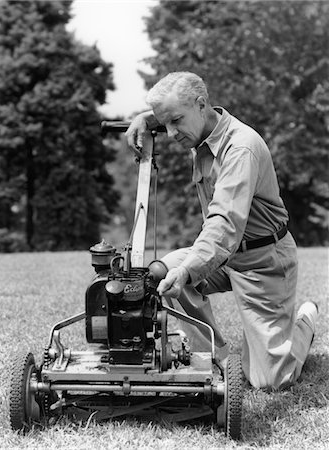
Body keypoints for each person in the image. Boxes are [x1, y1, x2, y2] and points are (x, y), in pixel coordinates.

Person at [125, 71, 318, 390]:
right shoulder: (198, 126)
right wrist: (145, 120)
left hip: (262, 261)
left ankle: (304, 322)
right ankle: (216, 359)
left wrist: (189, 269)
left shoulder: (240, 148)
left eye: (175, 121)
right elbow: (173, 112)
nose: (171, 133)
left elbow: (225, 224)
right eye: (166, 124)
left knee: (270, 381)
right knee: (162, 275)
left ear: (201, 104)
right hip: (221, 256)